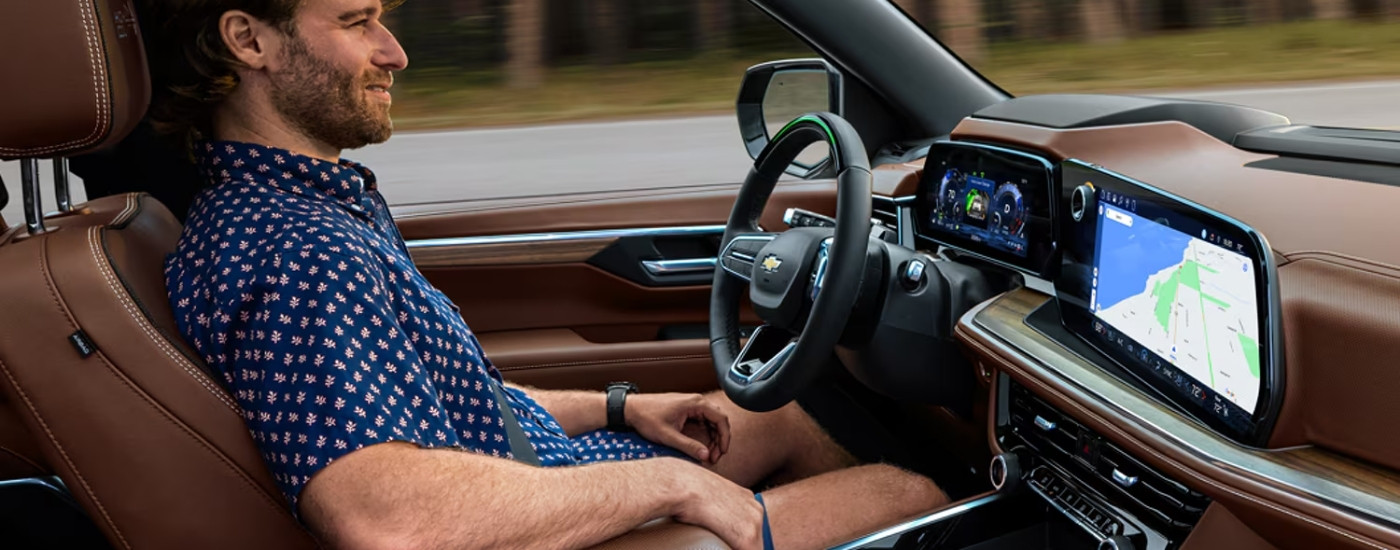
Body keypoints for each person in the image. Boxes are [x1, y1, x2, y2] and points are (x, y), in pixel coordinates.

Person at [154, 0, 949, 548]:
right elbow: (385, 521)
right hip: (526, 527)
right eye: (357, 21)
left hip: (525, 477)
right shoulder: (296, 251)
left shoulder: (308, 207)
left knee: (773, 416)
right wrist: (674, 492)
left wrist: (621, 406)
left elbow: (443, 400)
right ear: (248, 41)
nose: (394, 51)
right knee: (903, 502)